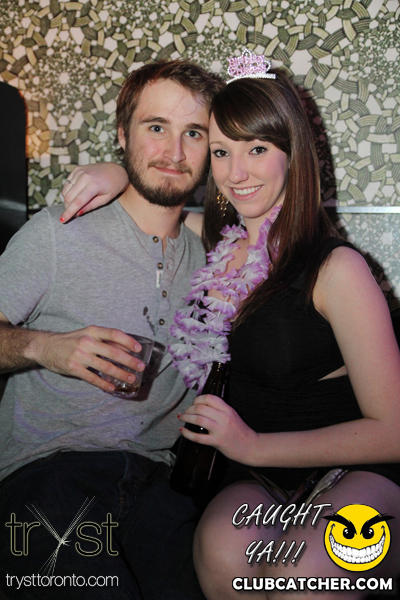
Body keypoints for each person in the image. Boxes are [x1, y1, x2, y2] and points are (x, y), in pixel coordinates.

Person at [62, 55, 400, 599]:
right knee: (223, 557)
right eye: (221, 151)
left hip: (354, 470)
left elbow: (394, 431)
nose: (235, 173)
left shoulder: (337, 269)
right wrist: (117, 170)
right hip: (248, 479)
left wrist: (252, 445)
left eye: (257, 149)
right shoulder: (211, 241)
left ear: (292, 152)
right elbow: (157, 202)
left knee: (307, 574)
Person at [0, 59, 224, 600]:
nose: (174, 152)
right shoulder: (58, 234)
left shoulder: (216, 259)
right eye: (156, 127)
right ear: (123, 135)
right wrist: (45, 347)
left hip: (160, 487)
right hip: (48, 474)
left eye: (193, 133)